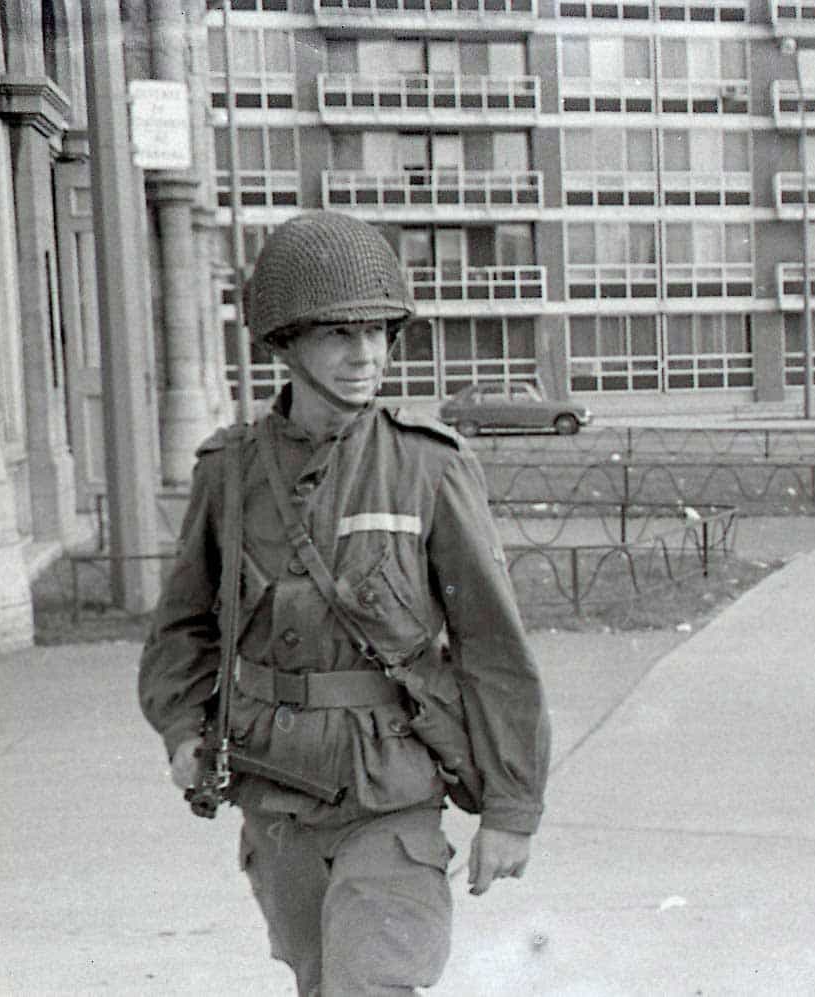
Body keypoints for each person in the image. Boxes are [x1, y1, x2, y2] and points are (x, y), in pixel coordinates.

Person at [139, 211, 550, 995]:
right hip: (274, 785)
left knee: (371, 984)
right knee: (320, 980)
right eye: (339, 334)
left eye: (380, 333)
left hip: (389, 784)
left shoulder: (426, 466)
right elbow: (183, 625)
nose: (367, 356)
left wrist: (511, 806)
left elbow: (494, 647)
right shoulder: (228, 472)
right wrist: (182, 727)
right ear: (286, 343)